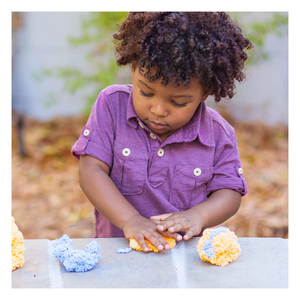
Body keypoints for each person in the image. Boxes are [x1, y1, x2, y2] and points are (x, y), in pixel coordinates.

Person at [71, 12, 252, 252]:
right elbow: (90, 170)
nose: (158, 110)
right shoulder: (111, 105)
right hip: (116, 253)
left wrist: (197, 216)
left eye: (178, 103)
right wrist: (130, 220)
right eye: (145, 92)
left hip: (184, 258)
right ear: (134, 69)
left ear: (205, 93)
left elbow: (229, 193)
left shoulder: (218, 134)